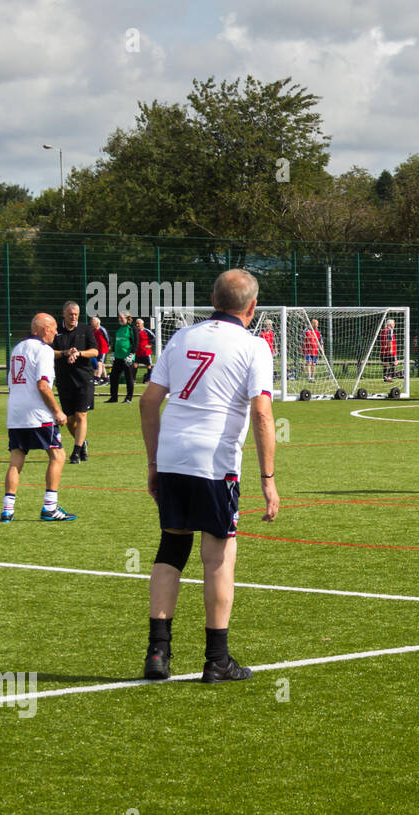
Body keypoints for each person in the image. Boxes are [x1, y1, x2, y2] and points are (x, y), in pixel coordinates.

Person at [139, 268, 279, 684]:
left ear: (213, 301)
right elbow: (262, 413)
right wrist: (268, 479)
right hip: (214, 463)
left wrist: (153, 462)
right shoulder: (254, 347)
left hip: (173, 458)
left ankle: (157, 654)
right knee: (218, 556)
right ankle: (217, 658)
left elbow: (148, 403)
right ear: (252, 308)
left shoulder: (181, 337)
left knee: (171, 549)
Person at [2, 312, 76, 521]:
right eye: (53, 329)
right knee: (58, 455)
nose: (56, 333)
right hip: (38, 413)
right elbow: (42, 385)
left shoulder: (17, 347)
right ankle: (50, 508)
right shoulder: (43, 350)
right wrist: (57, 411)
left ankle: (7, 510)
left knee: (16, 458)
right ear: (45, 329)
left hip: (16, 413)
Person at [52, 300, 99, 463]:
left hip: (84, 379)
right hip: (64, 381)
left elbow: (95, 351)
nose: (73, 317)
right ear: (64, 314)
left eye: (76, 314)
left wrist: (79, 353)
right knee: (70, 420)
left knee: (81, 415)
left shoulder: (86, 329)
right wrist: (65, 353)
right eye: (70, 314)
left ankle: (76, 452)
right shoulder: (55, 331)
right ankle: (82, 442)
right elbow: (49, 352)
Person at [106, 311, 137, 402]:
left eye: (122, 318)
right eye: (119, 318)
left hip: (127, 358)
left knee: (129, 378)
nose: (120, 319)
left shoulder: (132, 328)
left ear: (127, 318)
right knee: (113, 377)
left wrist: (131, 354)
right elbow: (116, 343)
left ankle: (128, 398)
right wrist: (113, 353)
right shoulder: (119, 329)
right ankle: (113, 398)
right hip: (118, 358)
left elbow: (136, 342)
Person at [133, 317, 154, 383]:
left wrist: (150, 345)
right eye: (136, 323)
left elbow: (154, 338)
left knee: (148, 365)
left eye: (138, 323)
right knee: (134, 365)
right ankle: (133, 379)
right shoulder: (134, 331)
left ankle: (148, 379)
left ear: (142, 324)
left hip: (146, 352)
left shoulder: (147, 331)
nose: (137, 325)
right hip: (137, 352)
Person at [90, 315, 110, 384]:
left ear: (97, 323)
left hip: (103, 350)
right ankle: (106, 379)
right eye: (91, 322)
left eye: (93, 322)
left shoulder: (102, 329)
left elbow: (107, 338)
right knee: (102, 365)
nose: (91, 323)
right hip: (96, 350)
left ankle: (97, 378)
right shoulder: (92, 330)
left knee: (99, 364)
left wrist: (108, 345)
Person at [381, 317, 399, 382]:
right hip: (391, 350)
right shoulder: (390, 330)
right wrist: (391, 349)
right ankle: (389, 376)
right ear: (390, 324)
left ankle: (385, 377)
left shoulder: (383, 330)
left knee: (385, 364)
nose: (394, 325)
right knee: (395, 362)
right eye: (394, 324)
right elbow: (390, 340)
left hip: (383, 351)